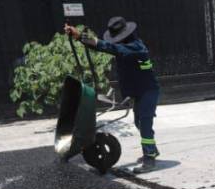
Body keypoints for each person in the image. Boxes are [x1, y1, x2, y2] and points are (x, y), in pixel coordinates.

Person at [65, 17, 159, 174]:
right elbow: (106, 47)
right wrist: (80, 39)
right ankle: (153, 150)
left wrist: (81, 36)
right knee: (139, 122)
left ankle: (149, 158)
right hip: (139, 90)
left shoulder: (136, 48)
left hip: (148, 91)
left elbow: (109, 47)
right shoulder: (127, 45)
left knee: (145, 125)